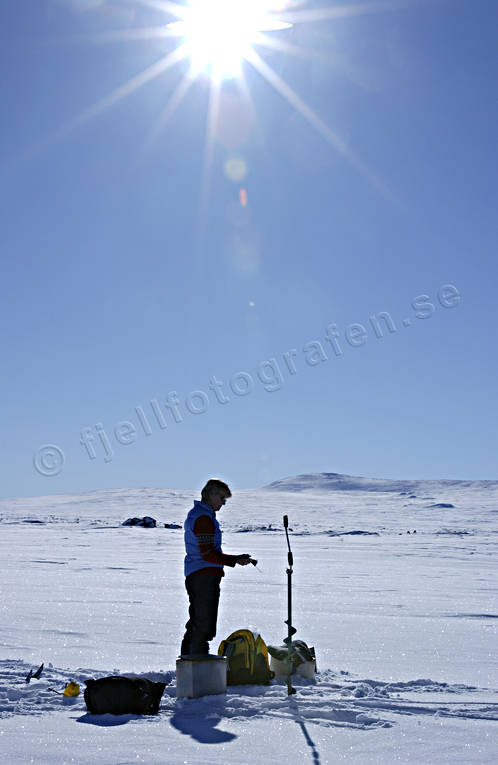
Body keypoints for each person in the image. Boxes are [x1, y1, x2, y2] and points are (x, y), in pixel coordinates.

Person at [180, 478, 253, 656]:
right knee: (202, 624)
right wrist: (235, 560)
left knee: (198, 623)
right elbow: (207, 554)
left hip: (201, 574)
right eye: (222, 498)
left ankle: (191, 665)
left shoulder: (202, 515)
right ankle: (196, 666)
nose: (223, 503)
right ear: (211, 494)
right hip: (203, 576)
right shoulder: (203, 518)